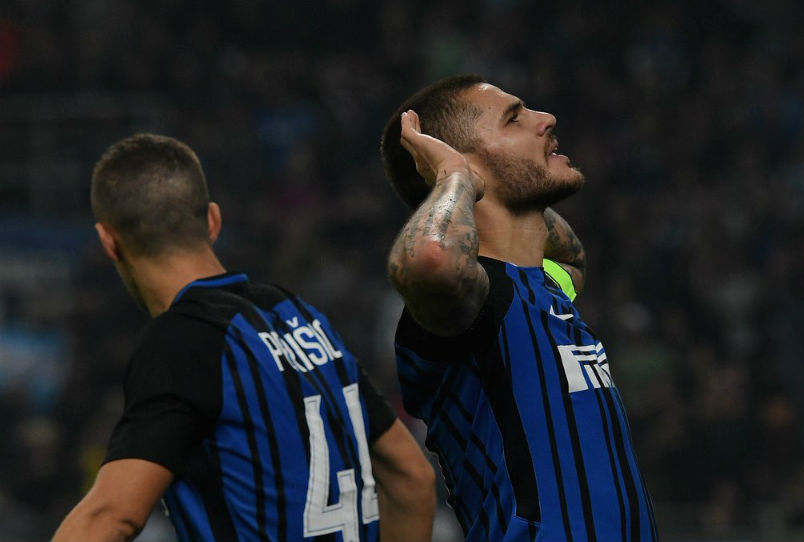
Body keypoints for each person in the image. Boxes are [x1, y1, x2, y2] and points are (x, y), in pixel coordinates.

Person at [52, 134, 435, 542]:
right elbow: (412, 477)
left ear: (109, 242)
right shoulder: (299, 316)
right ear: (213, 221)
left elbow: (112, 516)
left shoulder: (181, 340)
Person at [380, 75, 658, 542]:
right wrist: (456, 177)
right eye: (514, 119)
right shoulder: (469, 303)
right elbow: (429, 260)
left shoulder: (546, 285)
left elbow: (573, 258)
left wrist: (503, 191)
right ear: (462, 164)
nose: (546, 119)